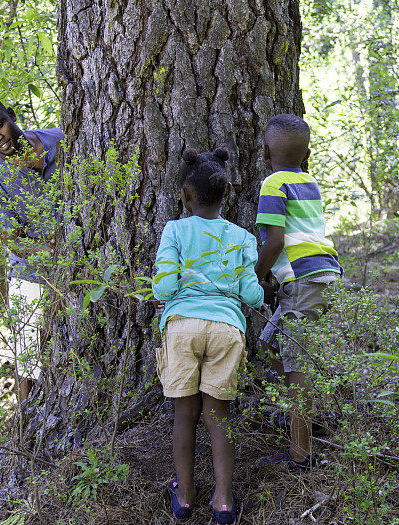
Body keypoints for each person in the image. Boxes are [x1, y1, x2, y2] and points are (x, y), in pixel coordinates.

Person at [152, 147, 264, 524]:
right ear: (228, 192)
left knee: (185, 415)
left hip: (183, 326)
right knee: (219, 416)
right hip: (227, 330)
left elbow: (164, 288)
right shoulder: (243, 237)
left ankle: (184, 496)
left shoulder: (175, 229)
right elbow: (253, 295)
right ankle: (223, 500)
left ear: (184, 194)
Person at [254, 114, 342, 470]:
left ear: (264, 151)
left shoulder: (274, 184)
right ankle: (307, 414)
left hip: (304, 282)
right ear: (308, 154)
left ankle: (300, 453)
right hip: (321, 276)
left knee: (296, 371)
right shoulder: (310, 182)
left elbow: (275, 241)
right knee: (269, 345)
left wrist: (254, 277)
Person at [0, 95, 64, 403]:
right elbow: (14, 241)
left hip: (83, 259)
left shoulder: (59, 139)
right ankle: (25, 429)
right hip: (31, 272)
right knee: (29, 359)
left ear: (10, 115)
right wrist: (54, 254)